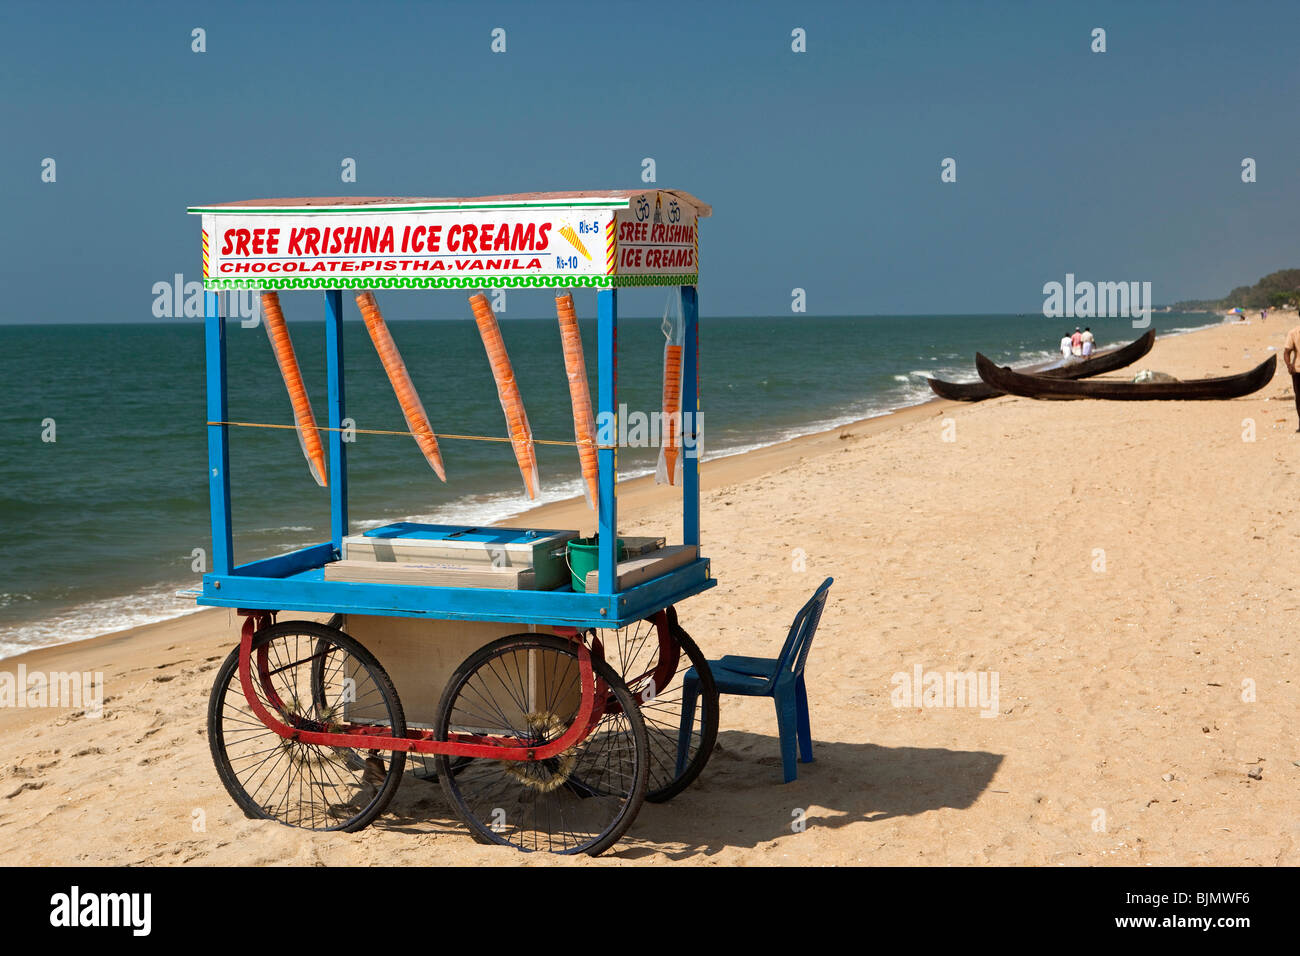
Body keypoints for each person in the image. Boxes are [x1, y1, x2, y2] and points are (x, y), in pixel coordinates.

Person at [1285, 325, 1300, 431]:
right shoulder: (1293, 332)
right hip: (1298, 371)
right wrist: (1289, 365)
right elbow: (1287, 352)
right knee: (1299, 398)